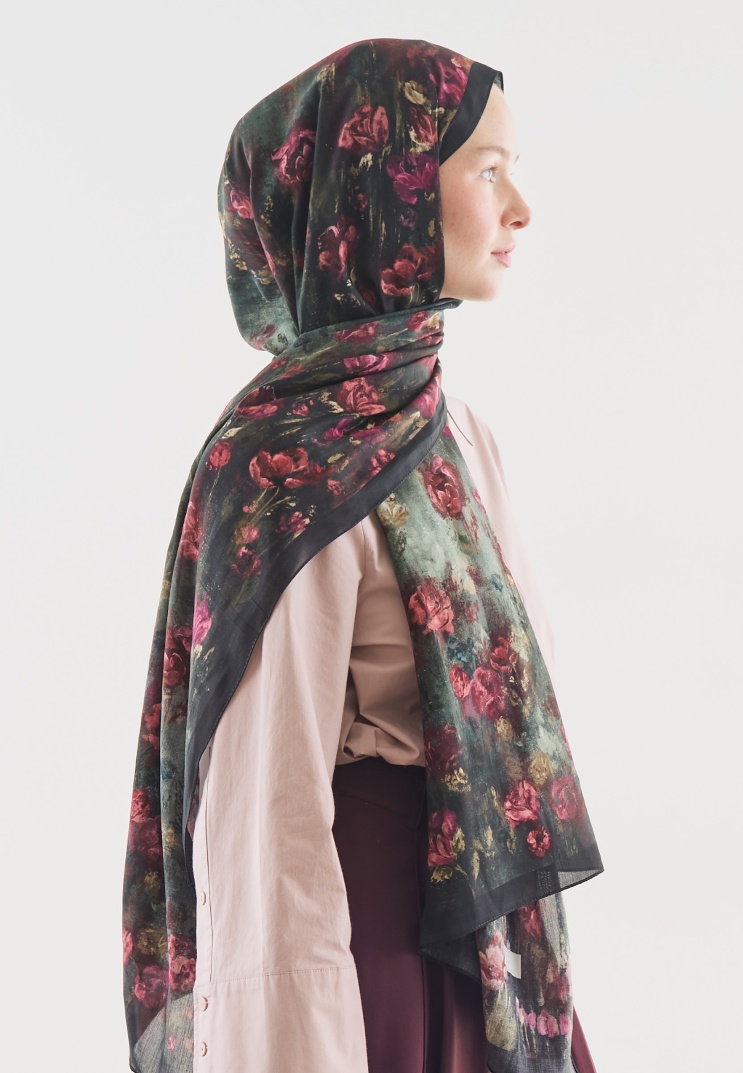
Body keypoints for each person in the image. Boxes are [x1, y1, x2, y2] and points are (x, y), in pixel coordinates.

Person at [123, 37, 603, 1073]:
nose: (520, 208)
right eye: (486, 170)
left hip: (485, 951)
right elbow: (265, 814)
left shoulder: (453, 430)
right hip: (360, 968)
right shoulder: (287, 465)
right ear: (384, 193)